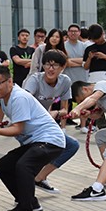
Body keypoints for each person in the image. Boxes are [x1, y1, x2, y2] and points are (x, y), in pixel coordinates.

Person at [0, 64, 65, 211]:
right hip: (35, 141)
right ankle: (31, 202)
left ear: (9, 81)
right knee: (2, 166)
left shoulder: (19, 97)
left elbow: (18, 129)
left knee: (24, 166)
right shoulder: (4, 98)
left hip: (50, 140)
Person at [22, 50, 80, 193]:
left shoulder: (65, 81)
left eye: (55, 65)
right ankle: (25, 196)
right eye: (47, 64)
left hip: (46, 125)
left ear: (62, 67)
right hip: (27, 125)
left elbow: (65, 109)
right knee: (29, 161)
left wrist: (56, 113)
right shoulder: (34, 80)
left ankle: (40, 178)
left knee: (72, 145)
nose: (50, 69)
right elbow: (24, 103)